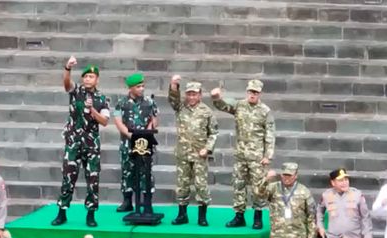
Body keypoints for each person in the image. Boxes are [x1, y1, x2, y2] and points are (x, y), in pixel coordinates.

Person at [52, 56, 110, 227]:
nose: (87, 79)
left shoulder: (102, 98)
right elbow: (66, 84)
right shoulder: (76, 91)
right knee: (68, 177)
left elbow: (105, 121)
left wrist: (92, 110)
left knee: (93, 179)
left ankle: (91, 214)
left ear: (97, 79)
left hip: (91, 144)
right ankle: (62, 212)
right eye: (85, 76)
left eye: (91, 77)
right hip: (73, 142)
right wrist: (67, 68)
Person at [211, 80, 275, 229]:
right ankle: (239, 216)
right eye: (251, 92)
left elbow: (270, 134)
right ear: (247, 92)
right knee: (238, 185)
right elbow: (223, 105)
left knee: (258, 187)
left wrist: (268, 155)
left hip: (257, 156)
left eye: (256, 92)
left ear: (259, 93)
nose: (253, 95)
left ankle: (257, 217)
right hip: (241, 154)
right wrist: (216, 97)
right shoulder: (239, 105)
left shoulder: (265, 110)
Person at [168, 76, 218, 226]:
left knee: (201, 185)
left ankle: (202, 216)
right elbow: (173, 99)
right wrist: (173, 85)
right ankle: (182, 214)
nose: (191, 97)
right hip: (183, 153)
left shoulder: (206, 112)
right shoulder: (180, 107)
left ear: (200, 95)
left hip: (199, 155)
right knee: (182, 184)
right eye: (189, 94)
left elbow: (213, 133)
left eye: (194, 94)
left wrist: (207, 149)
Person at [253, 163, 317, 238]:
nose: (286, 178)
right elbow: (258, 194)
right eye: (284, 175)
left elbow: (311, 216)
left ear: (296, 175)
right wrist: (266, 179)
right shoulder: (274, 187)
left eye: (290, 175)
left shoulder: (304, 191)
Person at [114, 72, 159, 214]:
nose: (141, 89)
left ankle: (147, 202)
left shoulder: (149, 102)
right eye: (138, 86)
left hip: (145, 143)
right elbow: (118, 121)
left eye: (143, 86)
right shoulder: (122, 103)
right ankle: (127, 201)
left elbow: (155, 118)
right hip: (128, 143)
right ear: (131, 88)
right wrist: (130, 135)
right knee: (127, 171)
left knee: (146, 172)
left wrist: (147, 132)